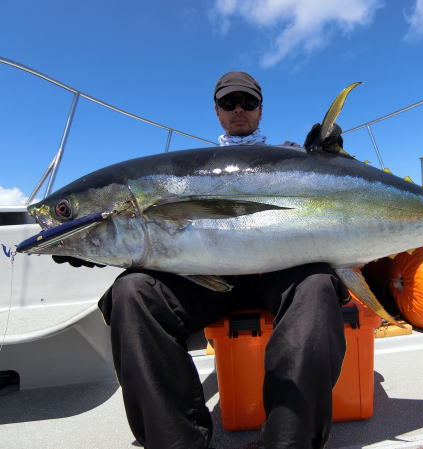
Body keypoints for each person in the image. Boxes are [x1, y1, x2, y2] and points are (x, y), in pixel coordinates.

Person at [96, 72, 349, 449]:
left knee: (316, 286)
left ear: (261, 109)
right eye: (229, 103)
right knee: (132, 293)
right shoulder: (190, 169)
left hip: (279, 270)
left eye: (247, 103)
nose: (238, 110)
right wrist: (99, 247)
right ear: (216, 110)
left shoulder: (293, 153)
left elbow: (349, 202)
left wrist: (332, 161)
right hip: (209, 276)